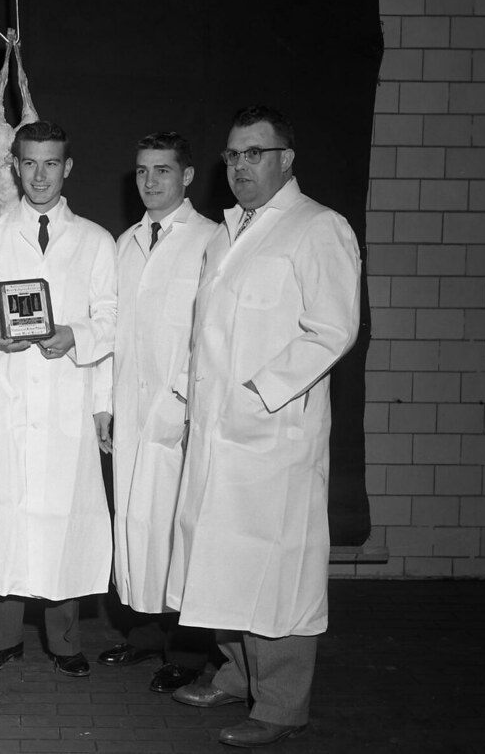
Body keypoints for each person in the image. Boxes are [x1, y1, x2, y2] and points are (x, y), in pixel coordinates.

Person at [166, 106, 361, 747]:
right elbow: (208, 333)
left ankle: (279, 705)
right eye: (233, 155)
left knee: (276, 571)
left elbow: (332, 329)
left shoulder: (318, 228)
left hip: (272, 433)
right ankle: (233, 674)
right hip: (217, 432)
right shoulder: (225, 234)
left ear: (286, 158)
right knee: (218, 560)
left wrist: (260, 393)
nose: (241, 166)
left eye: (255, 153)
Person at [0, 120, 117, 678]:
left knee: (63, 518)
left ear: (67, 168)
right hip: (7, 394)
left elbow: (112, 318)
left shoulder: (96, 240)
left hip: (67, 397)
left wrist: (76, 336)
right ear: (14, 167)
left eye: (51, 163)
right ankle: (1, 639)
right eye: (30, 163)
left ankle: (66, 642)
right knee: (4, 514)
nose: (40, 175)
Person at [96, 132, 220, 693]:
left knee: (176, 528)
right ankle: (145, 633)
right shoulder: (124, 243)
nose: (151, 181)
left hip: (178, 406)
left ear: (187, 176)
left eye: (163, 171)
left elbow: (208, 335)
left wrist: (186, 401)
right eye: (143, 171)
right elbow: (109, 329)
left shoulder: (211, 241)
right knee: (135, 523)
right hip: (129, 401)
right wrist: (104, 403)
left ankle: (189, 650)